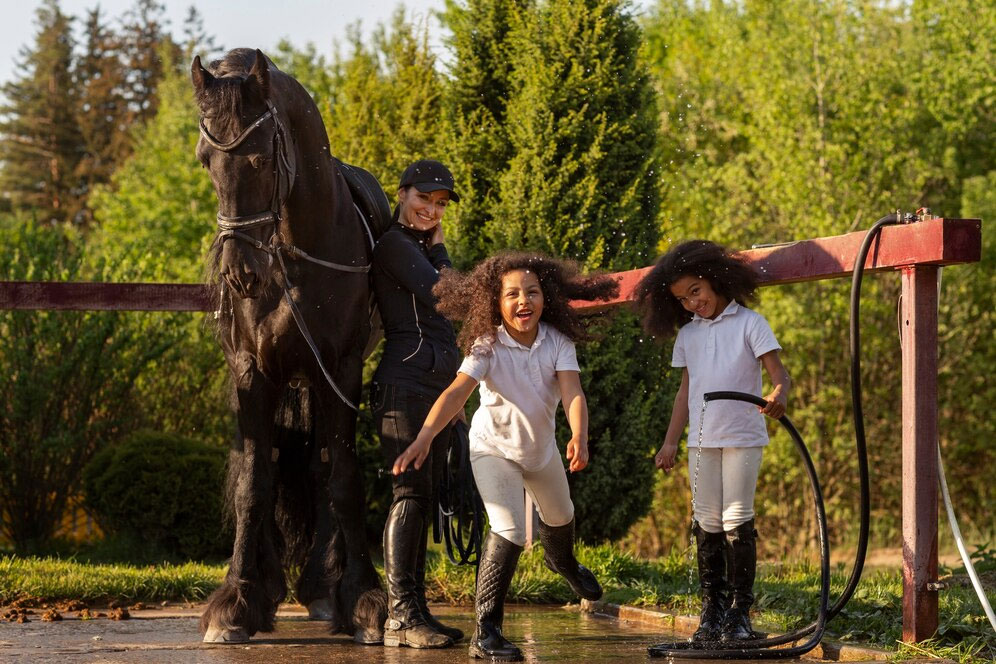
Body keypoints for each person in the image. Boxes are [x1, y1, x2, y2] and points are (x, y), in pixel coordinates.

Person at [392, 252, 618, 662]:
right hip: (493, 449)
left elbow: (572, 392)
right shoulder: (487, 344)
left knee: (561, 516)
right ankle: (487, 633)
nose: (523, 301)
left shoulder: (557, 341)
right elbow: (457, 392)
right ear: (495, 302)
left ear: (546, 298)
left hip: (540, 450)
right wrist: (425, 436)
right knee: (509, 529)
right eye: (512, 294)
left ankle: (563, 563)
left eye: (532, 292)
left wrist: (580, 435)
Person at [634, 240, 791, 643]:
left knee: (737, 517)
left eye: (696, 291)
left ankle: (739, 612)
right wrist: (670, 442)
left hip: (743, 436)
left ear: (714, 280)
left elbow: (779, 374)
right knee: (706, 520)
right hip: (701, 442)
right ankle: (712, 611)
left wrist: (778, 394)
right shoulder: (688, 335)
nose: (692, 303)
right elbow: (685, 391)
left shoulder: (750, 323)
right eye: (682, 299)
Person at [370, 159, 463, 649]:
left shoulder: (419, 249)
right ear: (402, 193)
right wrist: (442, 250)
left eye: (440, 203)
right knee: (408, 495)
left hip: (434, 389)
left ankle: (417, 611)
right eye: (424, 198)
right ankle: (401, 617)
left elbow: (446, 319)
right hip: (404, 387)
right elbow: (447, 297)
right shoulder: (393, 245)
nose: (431, 209)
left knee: (422, 498)